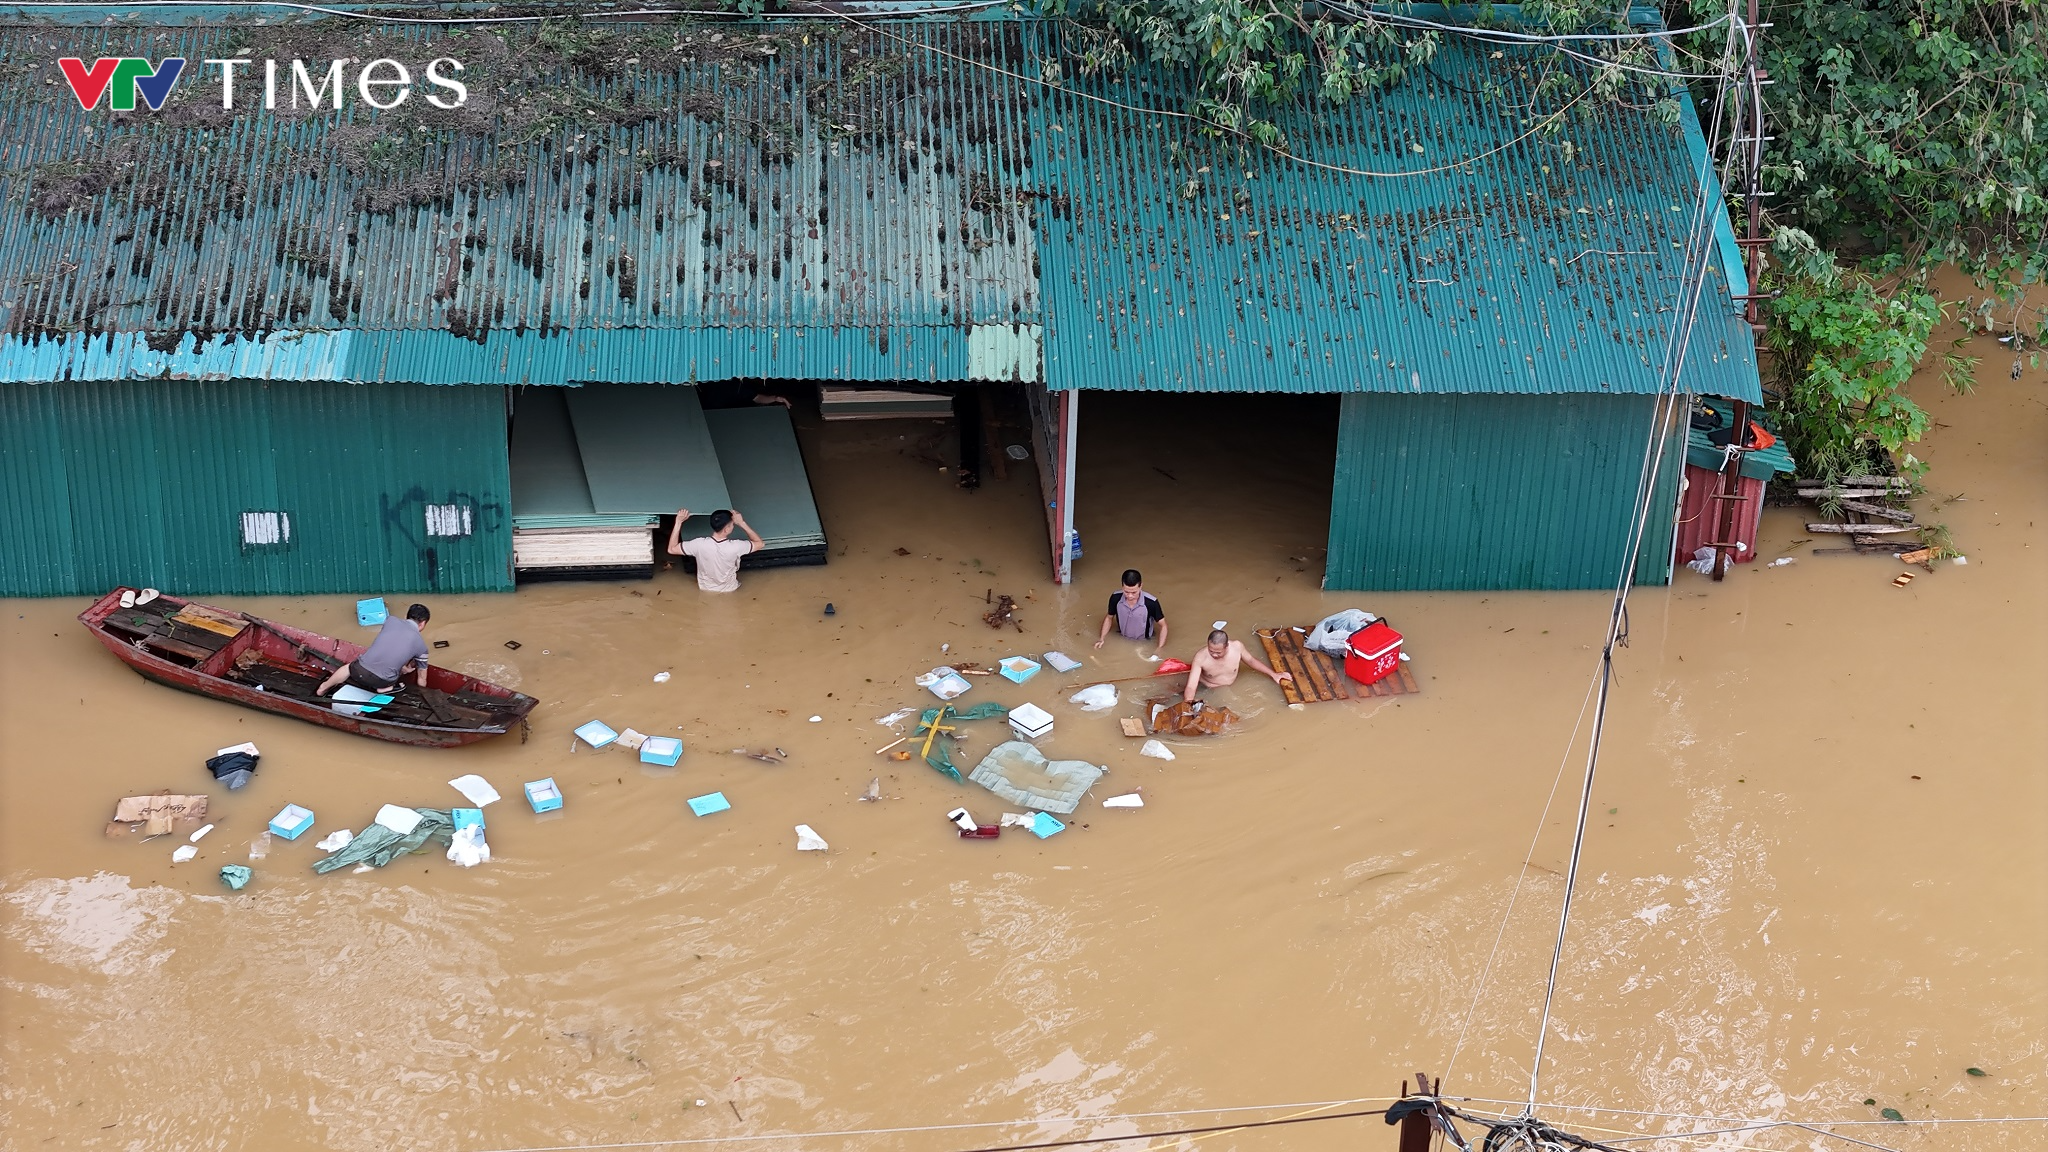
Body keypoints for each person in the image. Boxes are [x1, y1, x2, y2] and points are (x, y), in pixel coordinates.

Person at [317, 603, 431, 696]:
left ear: (407, 616)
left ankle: (323, 687)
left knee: (347, 668)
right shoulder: (422, 647)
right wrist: (422, 694)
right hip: (382, 681)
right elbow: (421, 679)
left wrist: (403, 667)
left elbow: (390, 644)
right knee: (395, 681)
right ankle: (384, 689)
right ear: (423, 623)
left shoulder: (390, 620)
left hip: (358, 671)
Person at [667, 507, 763, 593]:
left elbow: (672, 549)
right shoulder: (736, 546)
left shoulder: (698, 544)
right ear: (726, 529)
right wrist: (742, 523)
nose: (733, 526)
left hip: (705, 589)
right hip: (730, 590)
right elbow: (760, 543)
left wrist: (678, 522)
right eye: (732, 524)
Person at [1182, 629, 1291, 702]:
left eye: (1218, 652)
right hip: (1208, 688)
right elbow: (1191, 686)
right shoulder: (1200, 657)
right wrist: (1188, 704)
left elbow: (1251, 661)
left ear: (1226, 646)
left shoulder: (1237, 647)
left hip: (1229, 688)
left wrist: (1273, 674)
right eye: (1211, 651)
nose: (1214, 655)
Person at [1095, 568, 1169, 653]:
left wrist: (1159, 649)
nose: (1130, 596)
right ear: (1122, 586)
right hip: (1122, 639)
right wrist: (1102, 638)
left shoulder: (1151, 602)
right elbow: (1109, 618)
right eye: (1126, 592)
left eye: (1134, 592)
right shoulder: (1116, 598)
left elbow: (1163, 625)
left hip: (1144, 642)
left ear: (1140, 586)